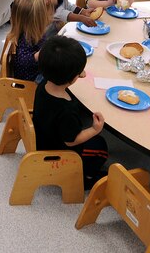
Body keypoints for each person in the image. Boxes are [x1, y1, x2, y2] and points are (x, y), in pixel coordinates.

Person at [33, 35, 108, 187]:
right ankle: (86, 178)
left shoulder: (43, 84)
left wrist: (74, 73)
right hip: (59, 152)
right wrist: (95, 129)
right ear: (73, 77)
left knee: (97, 142)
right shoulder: (66, 109)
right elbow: (71, 140)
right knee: (101, 148)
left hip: (44, 137)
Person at [6, 0, 52, 82]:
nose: (50, 15)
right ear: (37, 20)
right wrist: (38, 55)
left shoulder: (35, 33)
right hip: (31, 80)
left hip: (37, 71)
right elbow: (22, 61)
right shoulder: (26, 39)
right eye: (47, 13)